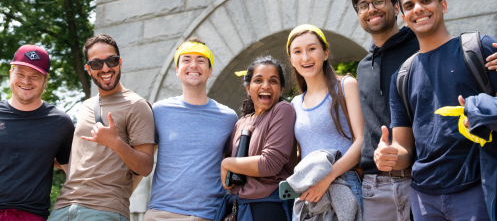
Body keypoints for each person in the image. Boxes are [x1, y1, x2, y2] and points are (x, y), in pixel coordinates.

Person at [350, 0, 497, 221]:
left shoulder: (481, 48)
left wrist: (483, 114)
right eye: (409, 6)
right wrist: (390, 155)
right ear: (404, 17)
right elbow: (405, 147)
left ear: (443, 5)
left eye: (426, 0)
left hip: (478, 188)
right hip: (424, 198)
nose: (418, 8)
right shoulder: (402, 76)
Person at [49, 34, 155, 221]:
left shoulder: (137, 105)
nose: (105, 68)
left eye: (111, 61)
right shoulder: (86, 106)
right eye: (97, 63)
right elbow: (78, 161)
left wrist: (115, 143)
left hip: (104, 209)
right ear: (89, 69)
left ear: (120, 63)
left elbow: (146, 166)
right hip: (63, 208)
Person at [145, 37, 238, 221]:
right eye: (186, 60)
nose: (193, 65)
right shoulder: (158, 111)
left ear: (210, 71)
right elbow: (142, 161)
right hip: (160, 215)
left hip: (208, 215)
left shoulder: (228, 118)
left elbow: (231, 167)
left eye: (201, 60)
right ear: (177, 70)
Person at [286, 24, 364, 208]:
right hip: (308, 192)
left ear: (326, 52)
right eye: (297, 52)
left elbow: (361, 141)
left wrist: (327, 178)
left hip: (344, 185)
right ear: (291, 60)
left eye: (312, 49)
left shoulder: (346, 85)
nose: (306, 57)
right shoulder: (295, 104)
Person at [218, 56, 297, 221]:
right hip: (237, 207)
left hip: (267, 206)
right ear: (248, 88)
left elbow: (270, 164)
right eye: (258, 80)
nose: (266, 86)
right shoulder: (241, 122)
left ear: (282, 89)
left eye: (273, 81)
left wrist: (227, 164)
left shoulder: (283, 110)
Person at [0, 45, 74, 221]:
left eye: (34, 76)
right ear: (11, 73)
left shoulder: (60, 122)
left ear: (45, 80)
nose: (26, 81)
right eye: (20, 74)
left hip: (31, 215)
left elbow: (75, 173)